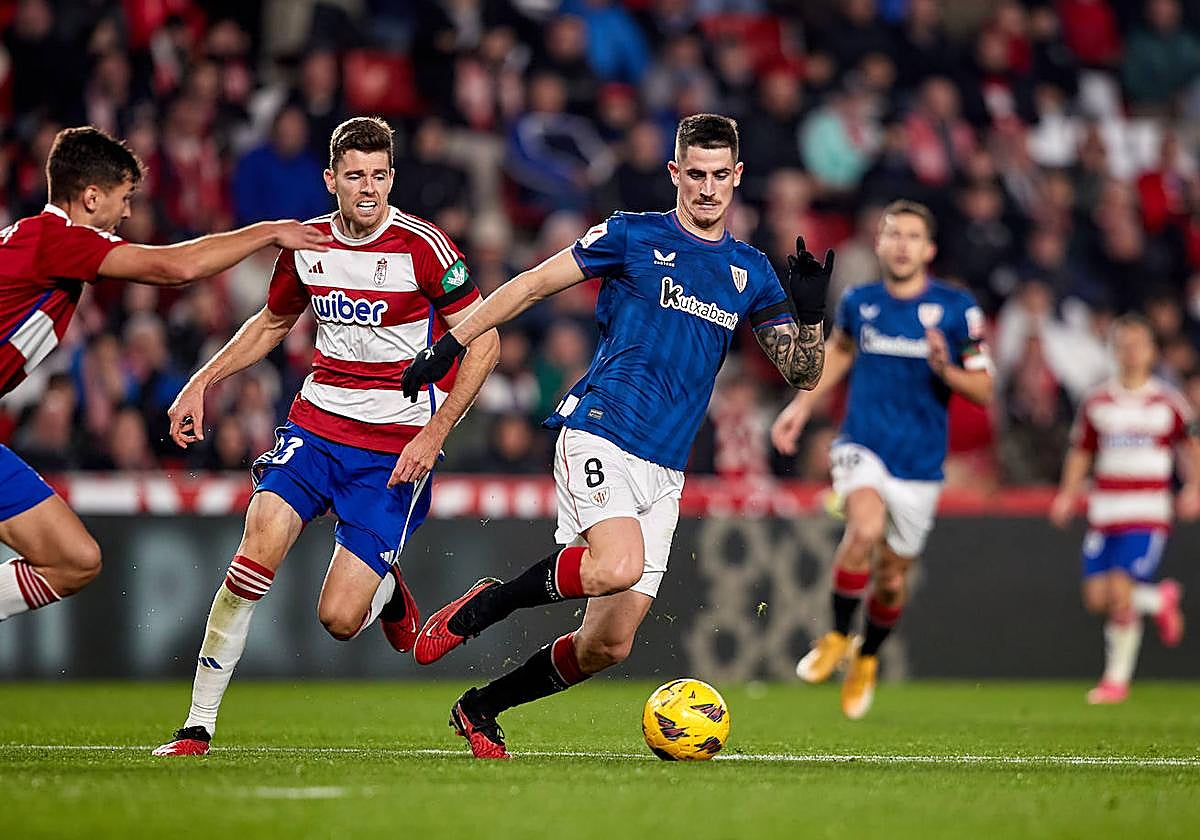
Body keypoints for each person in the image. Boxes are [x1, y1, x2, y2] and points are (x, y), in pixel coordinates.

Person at [400, 113, 829, 759]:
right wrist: (453, 340)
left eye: (721, 176)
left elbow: (802, 372)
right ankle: (483, 609)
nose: (708, 189)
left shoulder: (750, 270)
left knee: (608, 645)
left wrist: (813, 315)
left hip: (667, 466)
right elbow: (534, 283)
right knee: (615, 566)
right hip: (601, 428)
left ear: (738, 177)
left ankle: (480, 707)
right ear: (675, 173)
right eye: (696, 175)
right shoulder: (633, 235)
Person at [152, 117, 499, 756]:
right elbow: (270, 323)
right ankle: (196, 726)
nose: (368, 189)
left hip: (394, 447)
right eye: (355, 176)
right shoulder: (306, 246)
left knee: (339, 619)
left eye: (378, 176)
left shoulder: (424, 249)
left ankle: (391, 598)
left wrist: (435, 432)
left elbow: (487, 339)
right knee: (258, 541)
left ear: (391, 178)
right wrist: (201, 382)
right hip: (315, 428)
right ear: (331, 180)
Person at [0, 125, 329, 624]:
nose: (128, 212)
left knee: (74, 560)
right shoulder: (56, 239)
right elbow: (177, 267)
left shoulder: (37, 245)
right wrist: (268, 231)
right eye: (123, 197)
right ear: (91, 197)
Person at [771, 200, 993, 720]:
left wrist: (946, 369)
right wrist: (802, 405)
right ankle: (834, 637)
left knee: (892, 579)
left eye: (912, 236)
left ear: (929, 248)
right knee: (864, 530)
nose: (901, 244)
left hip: (919, 464)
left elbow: (983, 389)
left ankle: (865, 657)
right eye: (892, 234)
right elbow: (842, 352)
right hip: (862, 444)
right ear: (879, 243)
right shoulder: (859, 301)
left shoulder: (958, 309)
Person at [1050, 314, 1199, 704]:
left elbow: (1191, 445)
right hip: (1105, 511)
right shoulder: (1098, 401)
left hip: (1146, 511)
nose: (1131, 353)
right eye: (1124, 345)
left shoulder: (1168, 401)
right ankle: (1158, 599)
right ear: (1114, 351)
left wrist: (1195, 487)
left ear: (1152, 351)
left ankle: (1115, 680)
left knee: (1119, 592)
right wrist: (1067, 495)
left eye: (1138, 345)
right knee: (1097, 598)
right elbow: (1081, 450)